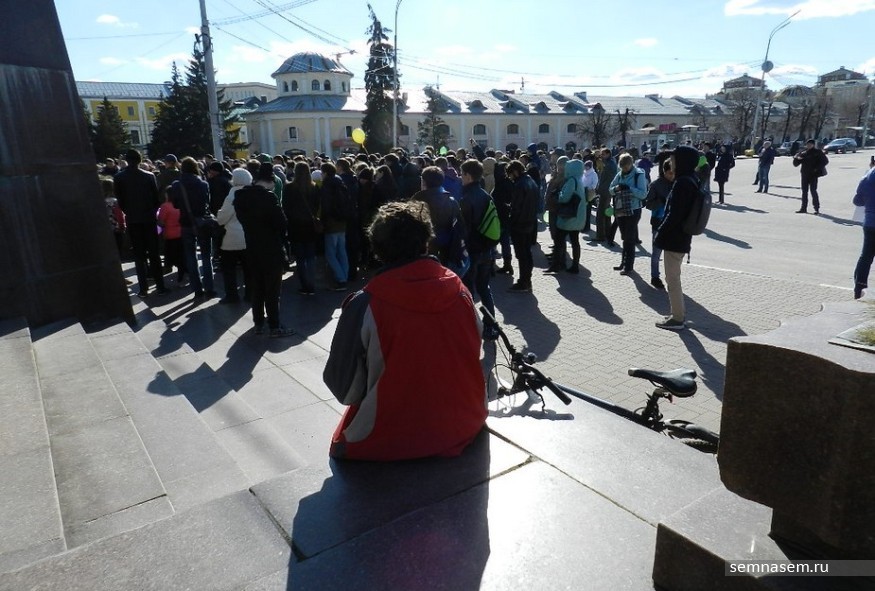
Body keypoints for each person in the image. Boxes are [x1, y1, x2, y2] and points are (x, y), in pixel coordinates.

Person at [322, 201, 487, 461]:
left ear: (377, 249)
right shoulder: (461, 291)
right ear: (426, 243)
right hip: (467, 422)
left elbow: (345, 390)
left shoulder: (365, 304)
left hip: (391, 439)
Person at [233, 166, 294, 337]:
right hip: (271, 248)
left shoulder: (240, 197)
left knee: (257, 288)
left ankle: (258, 323)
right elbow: (282, 224)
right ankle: (274, 326)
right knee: (273, 290)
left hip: (251, 247)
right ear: (270, 181)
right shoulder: (269, 197)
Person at [654, 146, 699, 330]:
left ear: (682, 161)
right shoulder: (692, 179)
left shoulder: (682, 183)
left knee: (672, 279)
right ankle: (677, 314)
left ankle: (678, 318)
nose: (671, 163)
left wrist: (660, 233)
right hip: (682, 237)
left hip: (675, 239)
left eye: (673, 159)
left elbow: (674, 215)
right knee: (674, 278)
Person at [114, 149, 167, 297]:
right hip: (149, 218)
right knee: (154, 253)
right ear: (139, 160)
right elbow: (156, 199)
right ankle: (160, 286)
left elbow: (120, 200)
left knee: (139, 255)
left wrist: (130, 212)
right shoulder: (149, 176)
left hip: (133, 219)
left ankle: (143, 288)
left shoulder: (119, 177)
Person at [458, 159, 497, 337]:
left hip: (472, 250)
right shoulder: (485, 195)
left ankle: (470, 326)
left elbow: (464, 228)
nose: (460, 177)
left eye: (462, 174)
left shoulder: (466, 198)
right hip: (487, 248)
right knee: (484, 287)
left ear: (468, 176)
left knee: (468, 290)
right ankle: (491, 325)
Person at [169, 156, 215, 300]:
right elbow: (207, 202)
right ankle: (209, 288)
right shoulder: (203, 184)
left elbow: (175, 205)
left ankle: (197, 289)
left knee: (190, 256)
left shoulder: (177, 185)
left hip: (185, 222)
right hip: (202, 221)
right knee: (206, 256)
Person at [411, 166, 468, 277]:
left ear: (424, 182)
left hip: (423, 248)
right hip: (447, 247)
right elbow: (461, 226)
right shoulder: (451, 200)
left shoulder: (417, 200)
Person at [283, 161, 321, 295]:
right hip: (310, 225)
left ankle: (305, 284)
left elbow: (285, 207)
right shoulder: (314, 187)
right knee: (310, 256)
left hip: (295, 225)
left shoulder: (289, 188)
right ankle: (311, 284)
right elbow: (317, 205)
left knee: (300, 257)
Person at [216, 168, 251, 304]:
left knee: (229, 269)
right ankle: (250, 294)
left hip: (231, 236)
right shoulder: (253, 194)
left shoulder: (232, 195)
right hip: (249, 236)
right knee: (249, 268)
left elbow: (222, 218)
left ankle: (232, 295)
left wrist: (218, 215)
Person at [609, 153, 648, 276]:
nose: (624, 170)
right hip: (621, 209)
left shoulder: (638, 174)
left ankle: (628, 266)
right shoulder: (620, 174)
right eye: (622, 167)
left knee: (629, 239)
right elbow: (610, 189)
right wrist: (616, 188)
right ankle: (623, 263)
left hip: (633, 210)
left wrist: (629, 189)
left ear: (631, 164)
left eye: (626, 167)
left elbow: (643, 194)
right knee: (624, 238)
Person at [506, 160, 540, 292]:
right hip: (530, 222)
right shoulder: (530, 181)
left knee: (522, 255)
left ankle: (523, 282)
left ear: (515, 172)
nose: (510, 178)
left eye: (510, 174)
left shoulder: (520, 184)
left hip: (519, 224)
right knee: (527, 253)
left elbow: (517, 207)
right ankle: (527, 280)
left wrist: (510, 215)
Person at [548, 158, 586, 274]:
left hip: (568, 217)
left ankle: (556, 265)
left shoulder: (571, 181)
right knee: (575, 242)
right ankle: (575, 266)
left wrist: (559, 194)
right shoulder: (579, 179)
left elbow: (564, 198)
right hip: (577, 216)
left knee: (559, 240)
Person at [320, 162, 351, 290]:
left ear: (325, 173)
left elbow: (326, 206)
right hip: (342, 221)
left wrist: (323, 221)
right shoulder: (341, 182)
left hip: (331, 223)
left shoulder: (326, 185)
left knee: (330, 254)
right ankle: (345, 276)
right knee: (342, 251)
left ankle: (340, 278)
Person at [644, 157, 674, 290]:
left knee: (671, 254)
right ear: (664, 171)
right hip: (658, 222)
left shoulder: (677, 184)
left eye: (674, 173)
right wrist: (661, 201)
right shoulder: (655, 185)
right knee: (656, 253)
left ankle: (671, 278)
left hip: (672, 224)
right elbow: (648, 204)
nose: (672, 176)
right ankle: (655, 277)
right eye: (670, 173)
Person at [852, 160, 875, 299]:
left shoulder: (866, 178)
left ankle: (859, 288)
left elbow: (857, 201)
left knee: (866, 257)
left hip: (870, 222)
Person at [792, 139, 829, 214]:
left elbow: (825, 161)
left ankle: (816, 208)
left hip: (813, 175)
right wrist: (796, 158)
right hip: (804, 174)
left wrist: (816, 168)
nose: (808, 145)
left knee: (813, 191)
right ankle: (803, 208)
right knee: (804, 191)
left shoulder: (817, 152)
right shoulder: (803, 153)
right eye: (807, 144)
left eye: (810, 144)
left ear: (813, 145)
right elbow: (796, 164)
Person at [596, 149, 618, 243]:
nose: (601, 156)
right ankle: (607, 233)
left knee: (600, 215)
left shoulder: (610, 164)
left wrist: (599, 189)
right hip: (606, 191)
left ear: (608, 154)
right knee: (606, 214)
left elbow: (606, 179)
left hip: (605, 191)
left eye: (603, 154)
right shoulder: (609, 163)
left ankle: (601, 236)